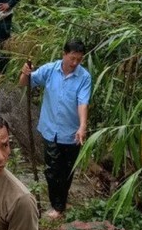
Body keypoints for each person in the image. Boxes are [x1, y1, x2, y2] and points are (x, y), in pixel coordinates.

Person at [19, 39, 91, 220]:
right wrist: (25, 72)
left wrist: (82, 126)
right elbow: (25, 83)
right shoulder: (50, 70)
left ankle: (61, 201)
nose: (75, 63)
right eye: (72, 58)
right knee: (52, 170)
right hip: (50, 129)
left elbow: (83, 102)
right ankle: (57, 206)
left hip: (72, 132)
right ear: (64, 54)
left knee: (67, 170)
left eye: (79, 60)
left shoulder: (84, 77)